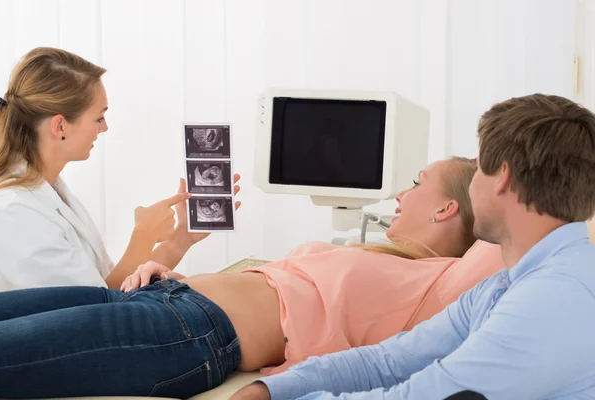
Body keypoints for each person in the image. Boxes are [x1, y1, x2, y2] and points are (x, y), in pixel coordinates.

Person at [0, 156, 505, 399]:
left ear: (448, 208)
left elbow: (537, 223)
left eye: (417, 183)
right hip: (162, 296)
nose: (400, 193)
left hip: (193, 333)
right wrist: (170, 267)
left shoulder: (443, 284)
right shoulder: (382, 255)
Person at [232, 93, 595, 400]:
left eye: (479, 169)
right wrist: (270, 390)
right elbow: (390, 360)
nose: (471, 187)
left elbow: (425, 394)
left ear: (502, 178)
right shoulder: (504, 286)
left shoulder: (557, 295)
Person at [0, 47, 234, 291]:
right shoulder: (14, 213)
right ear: (60, 126)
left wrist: (181, 238)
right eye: (99, 118)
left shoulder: (52, 190)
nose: (105, 127)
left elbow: (119, 286)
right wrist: (144, 234)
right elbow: (98, 308)